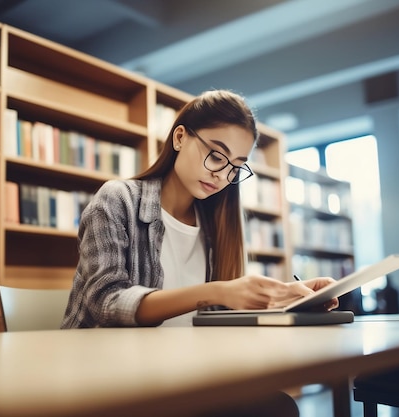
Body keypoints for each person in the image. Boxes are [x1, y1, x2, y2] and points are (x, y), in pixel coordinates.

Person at [61, 89, 339, 416]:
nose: (221, 175)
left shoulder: (217, 225)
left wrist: (285, 299)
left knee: (278, 406)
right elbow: (105, 302)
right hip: (110, 379)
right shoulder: (118, 199)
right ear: (180, 137)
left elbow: (222, 323)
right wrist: (217, 291)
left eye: (235, 167)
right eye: (217, 156)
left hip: (184, 375)